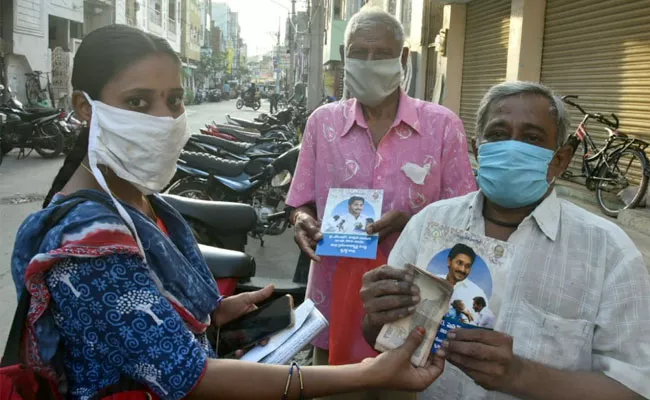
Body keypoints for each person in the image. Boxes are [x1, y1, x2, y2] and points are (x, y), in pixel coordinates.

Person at [8, 24, 447, 400]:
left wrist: (213, 314)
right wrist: (365, 374)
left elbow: (147, 320)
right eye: (139, 102)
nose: (164, 118)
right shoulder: (87, 240)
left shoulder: (141, 201)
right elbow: (188, 376)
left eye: (175, 100)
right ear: (85, 108)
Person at [360, 81, 650, 399]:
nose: (512, 148)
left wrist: (519, 374)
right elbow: (380, 337)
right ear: (477, 149)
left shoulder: (608, 252)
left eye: (532, 138)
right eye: (498, 135)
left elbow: (633, 388)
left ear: (561, 159)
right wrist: (377, 314)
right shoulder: (430, 224)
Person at [286, 7, 476, 399]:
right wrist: (302, 220)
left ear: (403, 59)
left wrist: (413, 221)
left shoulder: (442, 126)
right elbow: (301, 203)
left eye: (381, 53)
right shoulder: (322, 124)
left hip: (412, 305)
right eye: (359, 52)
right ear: (344, 54)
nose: (369, 63)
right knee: (333, 389)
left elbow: (467, 221)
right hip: (334, 297)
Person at [436, 243, 487, 321]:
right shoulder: (433, 280)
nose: (462, 270)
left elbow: (479, 323)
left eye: (467, 266)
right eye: (459, 263)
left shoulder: (478, 293)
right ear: (449, 261)